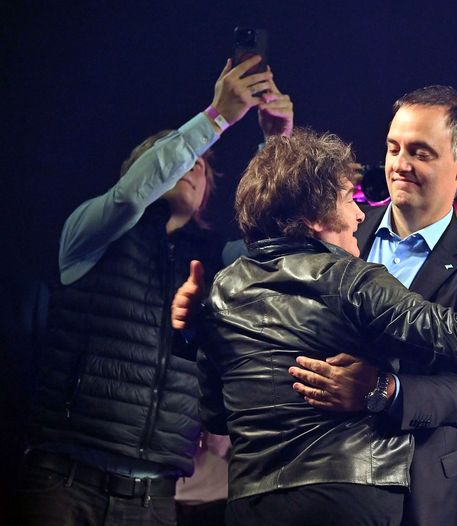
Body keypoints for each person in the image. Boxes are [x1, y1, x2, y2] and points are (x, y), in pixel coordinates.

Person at [173, 127, 457, 525]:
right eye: (348, 198)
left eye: (421, 152)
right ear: (315, 216)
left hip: (252, 502)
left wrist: (195, 332)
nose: (359, 211)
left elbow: (216, 415)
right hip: (345, 497)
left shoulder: (224, 286)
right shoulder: (351, 274)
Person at [14, 55, 292, 526]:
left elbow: (279, 248)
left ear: (208, 193)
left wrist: (278, 144)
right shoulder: (93, 233)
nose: (189, 166)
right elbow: (129, 195)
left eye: (200, 164)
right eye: (174, 156)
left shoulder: (211, 256)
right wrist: (216, 117)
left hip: (154, 497)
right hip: (65, 480)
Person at [286, 86, 457, 525]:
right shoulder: (338, 229)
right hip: (315, 480)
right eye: (393, 148)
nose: (400, 165)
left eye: (420, 153)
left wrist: (382, 391)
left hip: (418, 493)